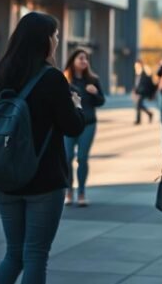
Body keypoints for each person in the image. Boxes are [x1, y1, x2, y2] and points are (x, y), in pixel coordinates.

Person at [0, 12, 85, 284]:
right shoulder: (52, 78)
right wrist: (76, 106)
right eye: (55, 35)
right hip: (44, 178)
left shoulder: (0, 73)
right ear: (44, 40)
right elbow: (73, 127)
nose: (57, 40)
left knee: (13, 255)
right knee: (35, 255)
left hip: (5, 175)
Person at [62, 49, 105, 207]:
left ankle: (81, 192)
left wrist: (95, 94)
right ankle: (68, 192)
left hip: (88, 124)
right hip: (68, 124)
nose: (84, 61)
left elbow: (101, 102)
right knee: (67, 158)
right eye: (81, 58)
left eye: (86, 59)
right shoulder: (64, 79)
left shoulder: (93, 80)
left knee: (82, 158)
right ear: (73, 60)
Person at [133, 60, 155, 124]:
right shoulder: (137, 73)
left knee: (138, 105)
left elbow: (146, 84)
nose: (135, 67)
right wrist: (134, 91)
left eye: (137, 65)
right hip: (137, 92)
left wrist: (140, 92)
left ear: (140, 65)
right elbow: (136, 84)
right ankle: (149, 114)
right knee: (139, 105)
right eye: (135, 66)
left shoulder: (145, 74)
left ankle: (138, 120)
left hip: (142, 92)